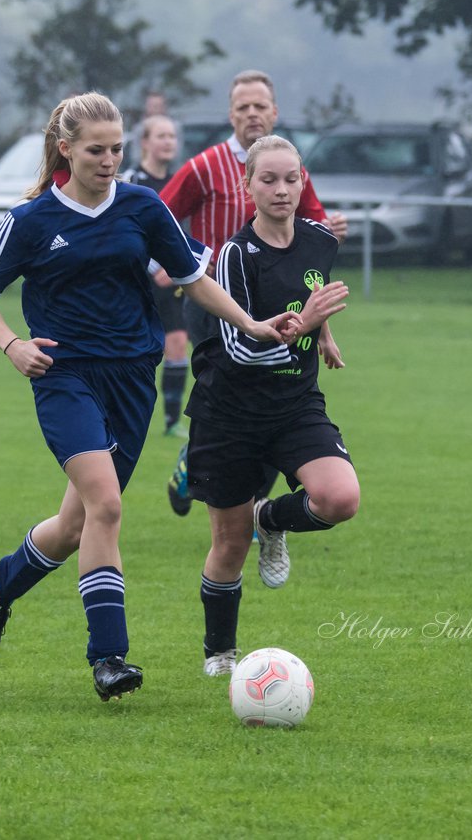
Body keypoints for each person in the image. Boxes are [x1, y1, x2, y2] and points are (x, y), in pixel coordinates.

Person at [0, 92, 299, 702]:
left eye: (118, 148)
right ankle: (109, 658)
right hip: (64, 378)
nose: (110, 160)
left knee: (73, 525)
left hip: (131, 381)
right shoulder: (32, 219)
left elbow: (195, 278)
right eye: (97, 150)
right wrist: (14, 347)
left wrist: (250, 324)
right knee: (108, 508)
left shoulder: (142, 208)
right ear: (65, 149)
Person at [183, 135, 358, 676]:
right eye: (268, 180)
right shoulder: (235, 255)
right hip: (229, 413)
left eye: (290, 179)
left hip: (294, 403)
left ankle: (271, 517)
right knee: (229, 544)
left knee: (339, 499)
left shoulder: (318, 240)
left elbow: (312, 289)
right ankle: (220, 652)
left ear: (303, 182)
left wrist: (321, 333)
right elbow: (237, 350)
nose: (281, 190)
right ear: (247, 186)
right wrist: (303, 325)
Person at [159, 69, 348, 518]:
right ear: (231, 115)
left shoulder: (286, 165)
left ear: (274, 112)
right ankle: (200, 461)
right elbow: (160, 217)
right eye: (242, 107)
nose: (252, 114)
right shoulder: (204, 166)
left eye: (259, 106)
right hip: (215, 301)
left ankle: (259, 507)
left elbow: (314, 257)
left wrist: (321, 328)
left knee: (275, 400)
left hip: (282, 306)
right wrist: (186, 264)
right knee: (230, 395)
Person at [123, 114, 191, 437]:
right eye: (161, 136)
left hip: (172, 280)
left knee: (178, 344)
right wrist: (154, 266)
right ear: (145, 142)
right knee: (138, 350)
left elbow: (182, 232)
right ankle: (126, 413)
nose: (168, 142)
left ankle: (171, 421)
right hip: (137, 280)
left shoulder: (180, 181)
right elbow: (125, 228)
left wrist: (176, 268)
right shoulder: (132, 180)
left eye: (172, 137)